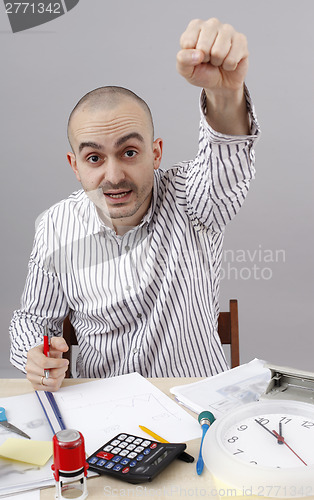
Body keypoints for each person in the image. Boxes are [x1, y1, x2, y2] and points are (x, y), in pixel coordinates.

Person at [9, 18, 260, 391]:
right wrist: (34, 351)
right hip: (104, 411)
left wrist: (226, 94)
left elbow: (226, 164)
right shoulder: (55, 225)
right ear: (74, 166)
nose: (113, 176)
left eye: (129, 152)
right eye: (94, 158)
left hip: (196, 403)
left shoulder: (191, 197)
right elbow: (33, 319)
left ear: (155, 153)